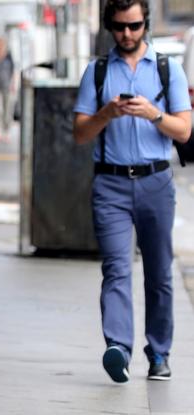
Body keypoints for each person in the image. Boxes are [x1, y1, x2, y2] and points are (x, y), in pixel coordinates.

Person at [73, 0, 191, 383]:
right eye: (120, 27)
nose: (127, 34)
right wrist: (107, 113)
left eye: (135, 25)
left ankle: (158, 353)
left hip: (156, 182)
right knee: (116, 269)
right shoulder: (98, 71)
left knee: (159, 273)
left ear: (145, 23)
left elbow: (185, 131)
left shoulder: (166, 69)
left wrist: (153, 114)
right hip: (110, 184)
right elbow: (79, 133)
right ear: (110, 26)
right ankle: (118, 350)